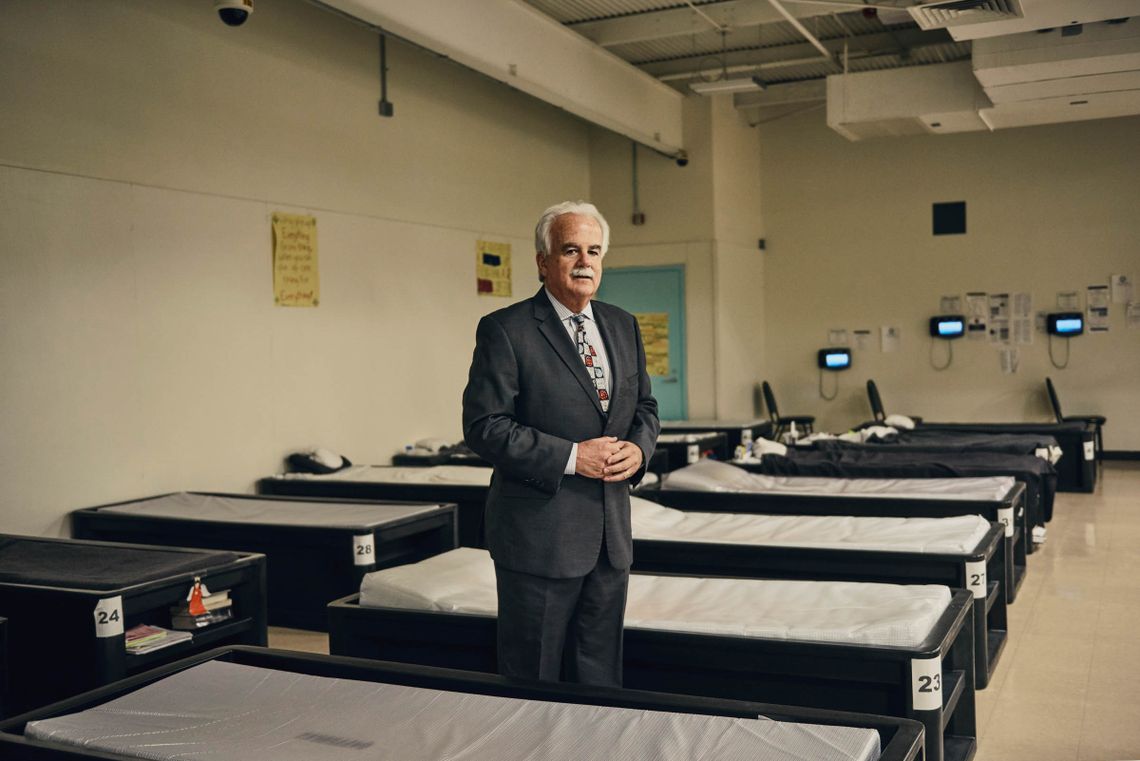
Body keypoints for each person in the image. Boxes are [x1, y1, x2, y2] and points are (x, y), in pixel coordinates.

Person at [462, 201, 659, 687]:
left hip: (610, 540)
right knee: (534, 679)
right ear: (543, 261)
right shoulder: (506, 330)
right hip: (538, 540)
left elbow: (646, 410)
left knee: (600, 680)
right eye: (570, 250)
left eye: (594, 251)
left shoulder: (622, 325)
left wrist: (638, 451)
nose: (585, 262)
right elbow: (484, 424)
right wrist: (573, 458)